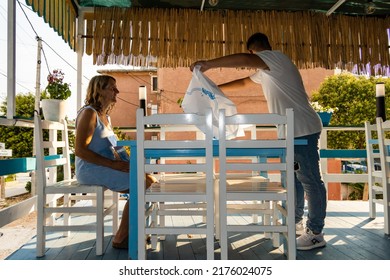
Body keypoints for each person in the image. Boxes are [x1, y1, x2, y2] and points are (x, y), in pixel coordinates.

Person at [190, 32, 327, 251]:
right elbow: (244, 81)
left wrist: (208, 64)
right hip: (291, 131)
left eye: (251, 56)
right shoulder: (266, 71)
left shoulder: (276, 58)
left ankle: (316, 233)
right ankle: (296, 222)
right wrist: (217, 89)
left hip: (302, 129)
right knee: (296, 180)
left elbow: (244, 61)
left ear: (254, 51)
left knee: (310, 180)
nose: (250, 62)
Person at [75, 75, 157, 249]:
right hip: (90, 169)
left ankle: (131, 231)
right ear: (100, 90)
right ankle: (121, 237)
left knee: (150, 180)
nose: (117, 91)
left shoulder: (105, 116)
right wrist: (114, 165)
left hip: (105, 165)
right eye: (112, 88)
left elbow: (113, 147)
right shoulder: (89, 113)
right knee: (142, 184)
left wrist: (129, 162)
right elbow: (80, 151)